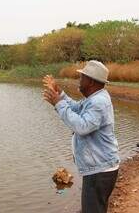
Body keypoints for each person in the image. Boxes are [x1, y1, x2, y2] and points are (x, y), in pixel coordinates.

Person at [42, 60, 120, 213]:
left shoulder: (98, 102)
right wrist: (60, 94)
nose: (80, 80)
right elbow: (76, 108)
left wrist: (58, 103)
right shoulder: (94, 98)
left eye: (82, 77)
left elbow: (82, 127)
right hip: (100, 168)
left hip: (100, 171)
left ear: (90, 81)